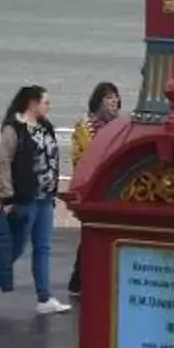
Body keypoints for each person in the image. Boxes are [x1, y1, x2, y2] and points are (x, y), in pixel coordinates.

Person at [0, 84, 69, 317]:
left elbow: (51, 159)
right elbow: (4, 163)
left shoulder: (46, 128)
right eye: (45, 102)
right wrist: (6, 196)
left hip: (45, 198)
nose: (48, 106)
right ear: (32, 103)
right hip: (23, 199)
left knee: (43, 248)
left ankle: (44, 298)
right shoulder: (14, 129)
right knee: (14, 248)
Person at [66, 80, 123, 298]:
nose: (114, 102)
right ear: (98, 102)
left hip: (115, 187)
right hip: (92, 188)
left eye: (115, 97)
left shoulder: (121, 127)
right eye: (109, 98)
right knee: (91, 234)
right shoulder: (85, 129)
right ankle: (78, 281)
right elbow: (80, 159)